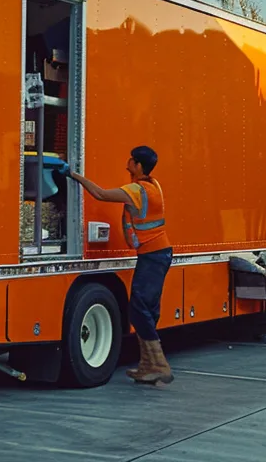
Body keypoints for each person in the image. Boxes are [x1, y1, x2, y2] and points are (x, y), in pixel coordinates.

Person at [69, 145, 174, 386]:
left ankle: (158, 364)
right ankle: (148, 366)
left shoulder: (138, 190)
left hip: (153, 255)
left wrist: (74, 176)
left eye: (130, 160)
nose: (127, 163)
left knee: (138, 307)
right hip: (158, 254)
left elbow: (101, 194)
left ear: (138, 165)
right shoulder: (153, 185)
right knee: (146, 308)